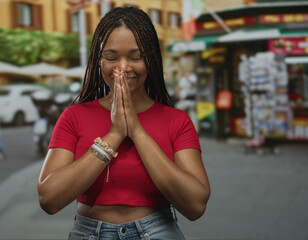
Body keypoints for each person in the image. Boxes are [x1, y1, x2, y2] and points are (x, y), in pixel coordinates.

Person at [37, 7, 210, 239]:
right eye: (111, 57)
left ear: (151, 58)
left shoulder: (177, 121)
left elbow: (195, 205)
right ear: (98, 60)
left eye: (135, 56)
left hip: (157, 231)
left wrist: (137, 131)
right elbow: (49, 199)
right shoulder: (73, 116)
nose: (123, 67)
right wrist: (115, 134)